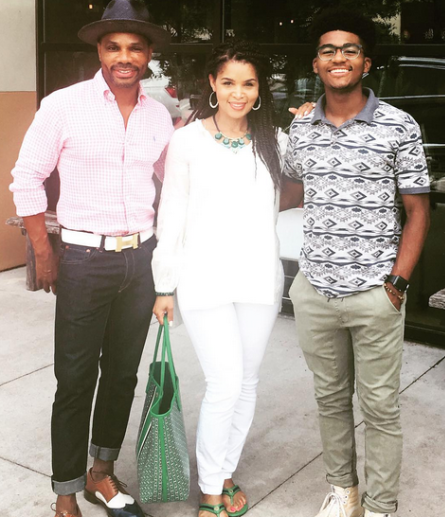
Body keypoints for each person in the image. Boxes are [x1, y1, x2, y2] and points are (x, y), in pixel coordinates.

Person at [9, 1, 173, 516]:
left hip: (141, 260)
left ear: (148, 54)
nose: (124, 56)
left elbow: (177, 182)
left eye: (134, 47)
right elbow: (26, 177)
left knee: (123, 374)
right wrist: (44, 251)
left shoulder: (159, 114)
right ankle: (65, 493)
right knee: (75, 379)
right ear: (100, 51)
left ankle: (100, 473)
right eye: (113, 46)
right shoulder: (64, 105)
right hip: (83, 258)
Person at [281, 8, 430, 517]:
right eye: (328, 50)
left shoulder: (399, 125)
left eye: (349, 49)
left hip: (374, 293)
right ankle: (344, 492)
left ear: (366, 62)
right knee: (330, 399)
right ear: (316, 63)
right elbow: (286, 186)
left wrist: (397, 282)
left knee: (381, 408)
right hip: (315, 289)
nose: (338, 57)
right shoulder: (301, 127)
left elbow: (417, 210)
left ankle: (382, 505)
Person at [152, 41, 288, 517]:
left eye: (248, 84)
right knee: (225, 382)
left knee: (247, 382)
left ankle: (225, 471)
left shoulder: (277, 140)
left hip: (258, 280)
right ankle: (211, 492)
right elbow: (171, 215)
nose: (238, 93)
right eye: (228, 82)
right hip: (204, 280)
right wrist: (164, 285)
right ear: (212, 84)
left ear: (258, 89)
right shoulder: (188, 141)